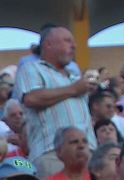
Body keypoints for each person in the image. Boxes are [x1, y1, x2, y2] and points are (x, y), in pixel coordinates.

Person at [14, 25, 95, 167]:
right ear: (48, 44)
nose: (74, 46)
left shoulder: (75, 76)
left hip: (87, 153)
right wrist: (73, 89)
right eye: (67, 41)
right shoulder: (31, 68)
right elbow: (31, 98)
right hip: (52, 153)